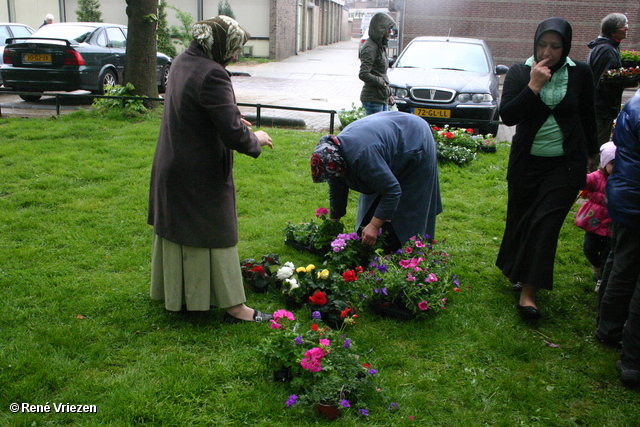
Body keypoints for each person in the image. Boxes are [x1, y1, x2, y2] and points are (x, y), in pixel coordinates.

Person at [148, 16, 274, 323]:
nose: (235, 56)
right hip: (197, 173)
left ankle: (178, 295)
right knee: (217, 233)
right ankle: (235, 307)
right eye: (233, 49)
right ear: (219, 44)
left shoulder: (184, 59)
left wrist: (230, 116)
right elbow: (233, 135)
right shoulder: (213, 73)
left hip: (174, 164)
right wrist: (254, 138)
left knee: (179, 231)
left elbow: (195, 106)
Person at [496, 17, 598, 322]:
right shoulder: (519, 71)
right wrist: (534, 85)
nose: (548, 52)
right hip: (527, 163)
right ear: (535, 43)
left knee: (546, 224)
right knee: (522, 219)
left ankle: (529, 293)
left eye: (555, 46)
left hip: (566, 165)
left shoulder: (581, 73)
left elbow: (587, 115)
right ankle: (517, 270)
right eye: (543, 44)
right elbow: (509, 117)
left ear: (565, 47)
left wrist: (594, 154)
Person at [310, 111, 442, 251]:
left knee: (408, 202)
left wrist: (373, 226)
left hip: (414, 138)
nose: (335, 178)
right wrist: (333, 222)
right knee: (375, 190)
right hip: (387, 137)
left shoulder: (362, 156)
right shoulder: (335, 156)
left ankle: (411, 247)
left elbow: (392, 190)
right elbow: (337, 188)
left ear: (341, 164)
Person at [595, 89, 640, 387]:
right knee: (626, 268)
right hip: (634, 196)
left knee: (621, 259)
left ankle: (608, 327)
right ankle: (631, 355)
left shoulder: (635, 101)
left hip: (626, 193)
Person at [575, 141, 616, 289]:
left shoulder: (622, 180)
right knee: (589, 249)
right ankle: (597, 265)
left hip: (611, 225)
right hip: (594, 222)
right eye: (613, 163)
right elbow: (582, 182)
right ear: (604, 163)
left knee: (607, 253)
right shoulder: (596, 177)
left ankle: (602, 278)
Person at [586, 13, 631, 147]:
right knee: (599, 147)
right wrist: (630, 80)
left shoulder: (603, 47)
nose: (627, 28)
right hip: (602, 110)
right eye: (624, 26)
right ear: (612, 31)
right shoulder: (607, 50)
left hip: (599, 107)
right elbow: (606, 81)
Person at [358, 12, 396, 116]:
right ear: (381, 29)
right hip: (373, 100)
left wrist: (388, 94)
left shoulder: (380, 46)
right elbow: (363, 74)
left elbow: (381, 73)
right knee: (376, 131)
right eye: (388, 29)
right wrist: (382, 83)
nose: (390, 32)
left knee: (383, 130)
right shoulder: (370, 47)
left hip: (381, 97)